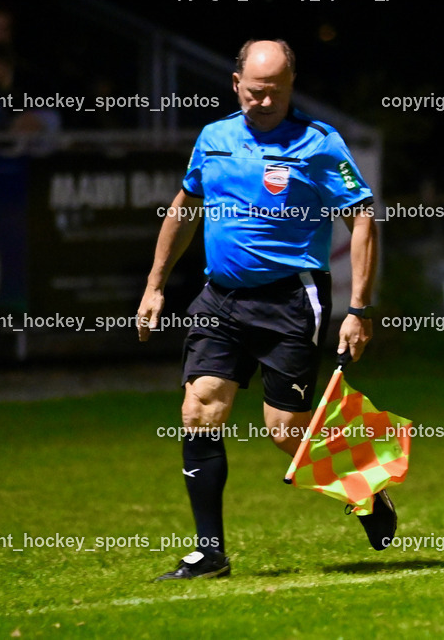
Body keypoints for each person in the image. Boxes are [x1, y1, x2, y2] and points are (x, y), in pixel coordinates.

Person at [138, 39, 393, 581]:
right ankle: (210, 553)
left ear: (291, 87)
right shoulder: (214, 138)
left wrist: (360, 308)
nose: (263, 100)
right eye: (255, 91)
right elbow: (185, 208)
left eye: (275, 91)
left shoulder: (319, 144)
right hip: (219, 297)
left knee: (285, 431)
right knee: (199, 411)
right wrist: (155, 284)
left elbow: (363, 218)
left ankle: (365, 487)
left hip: (289, 300)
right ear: (237, 85)